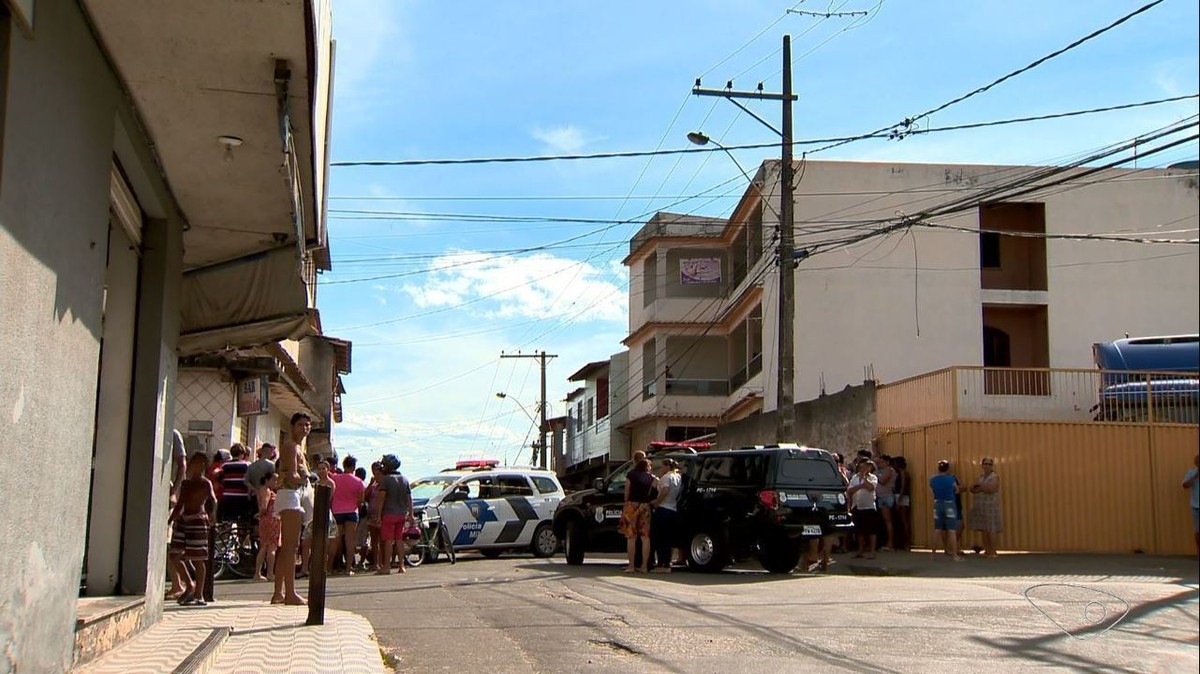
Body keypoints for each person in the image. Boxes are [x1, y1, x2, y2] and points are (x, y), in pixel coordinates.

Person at [272, 412, 313, 606]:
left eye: (307, 425)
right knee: (291, 547)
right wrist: (308, 478)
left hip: (292, 496)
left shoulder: (297, 447)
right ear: (293, 426)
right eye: (300, 425)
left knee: (287, 547)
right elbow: (291, 476)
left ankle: (278, 593)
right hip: (290, 496)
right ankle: (290, 593)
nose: (304, 428)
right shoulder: (290, 446)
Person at [168, 452, 216, 606]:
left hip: (198, 521)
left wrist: (213, 515)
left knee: (198, 558)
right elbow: (181, 503)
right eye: (190, 462)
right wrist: (171, 519)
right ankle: (189, 585)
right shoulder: (186, 484)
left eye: (194, 463)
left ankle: (199, 594)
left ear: (202, 465)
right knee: (174, 555)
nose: (190, 466)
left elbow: (213, 500)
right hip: (183, 521)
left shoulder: (205, 483)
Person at [371, 454, 413, 575]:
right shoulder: (404, 479)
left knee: (388, 540)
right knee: (399, 540)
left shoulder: (386, 480)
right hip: (401, 514)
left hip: (389, 514)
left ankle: (387, 566)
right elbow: (409, 498)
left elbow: (381, 499)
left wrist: (378, 515)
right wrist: (410, 513)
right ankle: (401, 565)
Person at [329, 455, 366, 574]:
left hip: (337, 511)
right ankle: (348, 568)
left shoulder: (335, 478)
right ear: (354, 467)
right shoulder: (359, 482)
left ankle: (329, 567)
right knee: (350, 541)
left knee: (335, 540)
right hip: (352, 511)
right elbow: (360, 500)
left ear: (344, 466)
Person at [301, 459, 337, 577]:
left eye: (323, 468)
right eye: (319, 468)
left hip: (324, 513)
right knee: (306, 541)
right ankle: (305, 567)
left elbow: (328, 499)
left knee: (324, 541)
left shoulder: (330, 483)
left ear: (328, 469)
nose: (321, 471)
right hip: (311, 514)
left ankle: (323, 567)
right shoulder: (314, 483)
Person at [619, 457, 656, 573]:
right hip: (645, 507)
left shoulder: (631, 474)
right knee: (645, 537)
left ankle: (631, 566)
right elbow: (657, 487)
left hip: (632, 506)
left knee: (631, 537)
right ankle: (644, 566)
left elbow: (627, 491)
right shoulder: (651, 477)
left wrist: (626, 503)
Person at [650, 458, 682, 573]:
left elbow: (665, 490)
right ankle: (667, 563)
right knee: (668, 538)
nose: (661, 469)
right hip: (673, 508)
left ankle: (662, 564)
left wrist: (657, 502)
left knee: (661, 539)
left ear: (667, 466)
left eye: (662, 466)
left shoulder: (666, 477)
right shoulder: (678, 477)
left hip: (663, 509)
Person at [969, 457, 1002, 558]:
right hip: (980, 507)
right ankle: (987, 550)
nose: (987, 466)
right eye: (985, 464)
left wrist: (980, 485)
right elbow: (972, 489)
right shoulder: (980, 476)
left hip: (990, 507)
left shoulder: (995, 477)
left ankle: (993, 551)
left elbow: (992, 489)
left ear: (992, 466)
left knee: (991, 529)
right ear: (982, 465)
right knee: (984, 529)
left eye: (989, 464)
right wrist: (980, 486)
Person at [930, 460, 963, 561]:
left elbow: (932, 488)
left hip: (937, 504)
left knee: (937, 530)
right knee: (952, 530)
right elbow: (957, 490)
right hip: (949, 504)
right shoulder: (951, 478)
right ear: (948, 468)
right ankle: (955, 555)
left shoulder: (933, 479)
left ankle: (933, 555)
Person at [847, 459, 879, 559]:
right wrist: (861, 485)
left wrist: (865, 479)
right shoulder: (854, 478)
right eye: (862, 467)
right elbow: (850, 490)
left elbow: (870, 487)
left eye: (866, 467)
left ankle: (872, 552)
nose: (864, 469)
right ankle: (860, 550)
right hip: (857, 506)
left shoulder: (873, 477)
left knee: (872, 530)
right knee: (859, 531)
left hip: (869, 507)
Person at [254, 472, 282, 581]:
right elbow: (264, 507)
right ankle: (270, 572)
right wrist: (259, 513)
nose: (275, 483)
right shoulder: (266, 491)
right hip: (271, 520)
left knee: (264, 546)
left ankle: (258, 572)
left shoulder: (262, 490)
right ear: (267, 480)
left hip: (265, 521)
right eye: (274, 480)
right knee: (271, 547)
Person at [217, 443, 253, 522]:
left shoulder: (225, 465)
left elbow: (219, 479)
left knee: (228, 521)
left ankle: (227, 533)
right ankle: (241, 534)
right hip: (242, 497)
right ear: (242, 454)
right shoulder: (247, 465)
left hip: (228, 496)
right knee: (242, 522)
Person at [875, 455, 898, 551]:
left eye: (882, 462)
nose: (880, 464)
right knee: (884, 521)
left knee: (888, 521)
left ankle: (890, 543)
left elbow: (882, 480)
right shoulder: (882, 471)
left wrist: (875, 474)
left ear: (887, 462)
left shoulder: (889, 470)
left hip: (886, 496)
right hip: (881, 496)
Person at [893, 456, 912, 551]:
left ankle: (907, 543)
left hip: (902, 497)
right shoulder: (899, 473)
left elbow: (903, 487)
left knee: (904, 520)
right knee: (901, 521)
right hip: (900, 497)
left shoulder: (903, 473)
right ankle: (902, 543)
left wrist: (899, 500)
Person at [1183, 454, 1199, 559]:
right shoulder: (1191, 472)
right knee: (1198, 531)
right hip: (1196, 506)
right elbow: (1185, 485)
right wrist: (1195, 476)